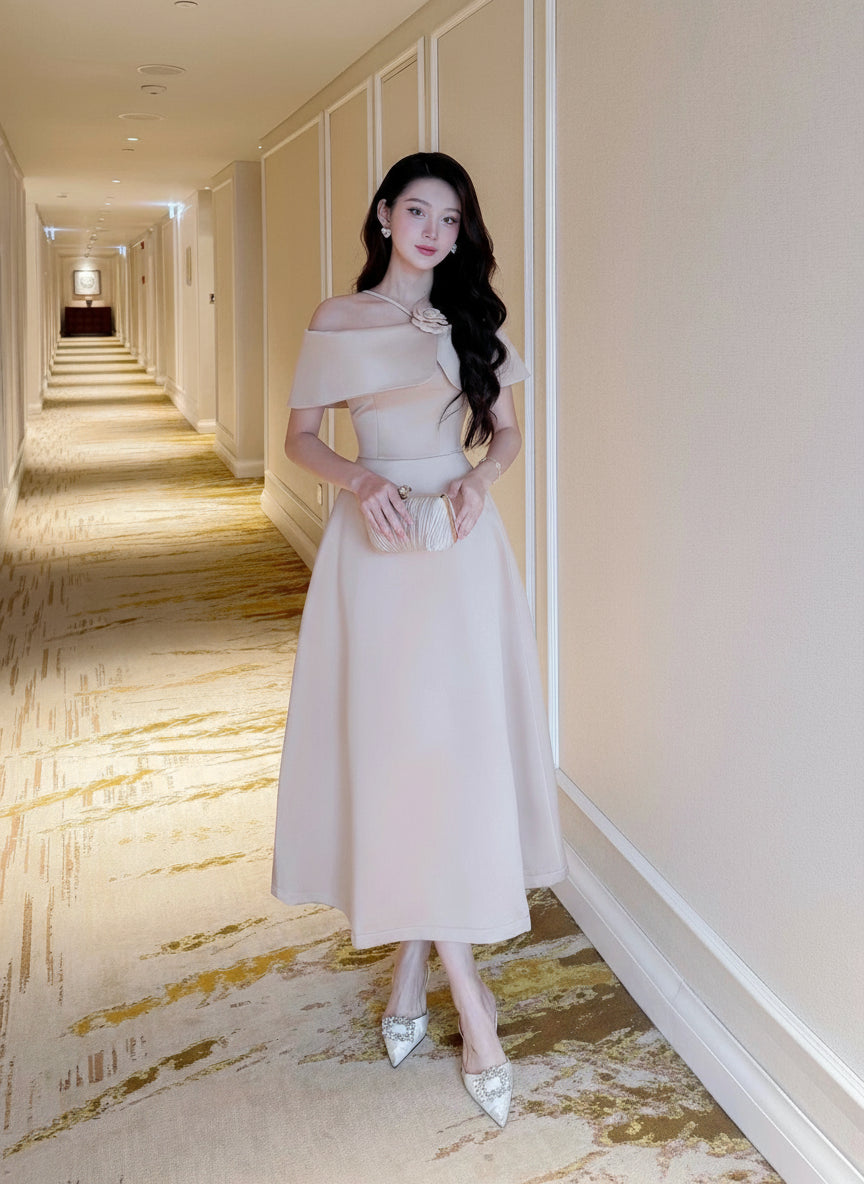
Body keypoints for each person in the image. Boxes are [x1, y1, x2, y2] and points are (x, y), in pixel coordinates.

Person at [271, 152, 566, 1128]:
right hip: (377, 548)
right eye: (419, 211)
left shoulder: (471, 320)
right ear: (384, 216)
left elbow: (507, 433)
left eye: (451, 217)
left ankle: (412, 970)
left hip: (463, 553)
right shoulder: (338, 318)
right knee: (399, 755)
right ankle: (472, 1008)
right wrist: (361, 480)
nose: (435, 231)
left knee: (451, 755)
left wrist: (480, 478)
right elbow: (299, 438)